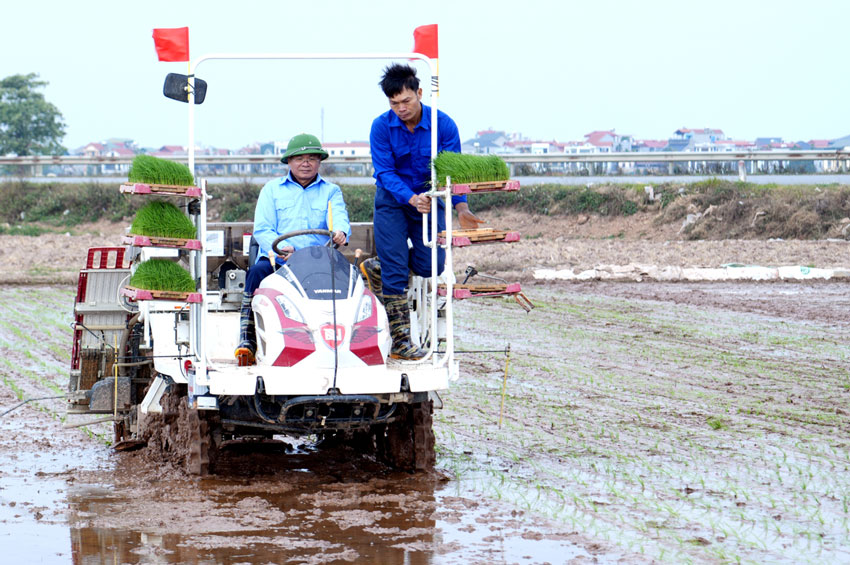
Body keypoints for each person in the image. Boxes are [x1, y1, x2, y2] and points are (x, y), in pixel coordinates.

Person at [365, 63, 483, 360]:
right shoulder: (380, 127)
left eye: (406, 101)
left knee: (432, 264)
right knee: (394, 271)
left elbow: (451, 172)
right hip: (393, 201)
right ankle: (402, 342)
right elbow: (385, 172)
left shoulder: (444, 125)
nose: (401, 108)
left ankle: (379, 267)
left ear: (419, 93)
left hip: (432, 202)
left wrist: (461, 207)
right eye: (394, 103)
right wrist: (410, 197)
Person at [235, 133, 350, 365]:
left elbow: (339, 217)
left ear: (319, 162)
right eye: (299, 158)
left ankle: (345, 343)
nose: (305, 163)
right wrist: (280, 249)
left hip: (318, 261)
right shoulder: (271, 190)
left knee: (349, 277)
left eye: (311, 158)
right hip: (280, 260)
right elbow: (263, 229)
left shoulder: (331, 191)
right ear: (289, 162)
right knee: (257, 272)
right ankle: (247, 339)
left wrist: (340, 231)